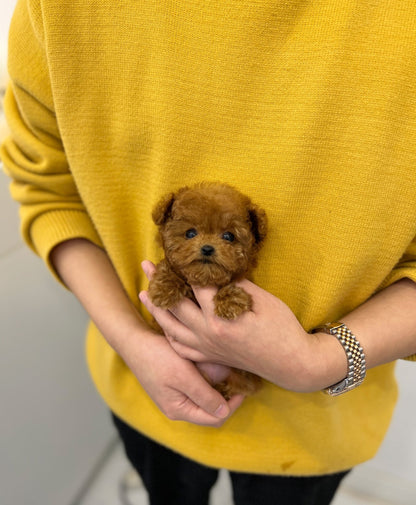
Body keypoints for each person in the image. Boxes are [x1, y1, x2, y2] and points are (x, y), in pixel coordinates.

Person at [2, 1, 416, 504]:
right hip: (143, 389)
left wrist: (320, 361)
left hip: (316, 427)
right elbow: (47, 184)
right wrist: (132, 339)